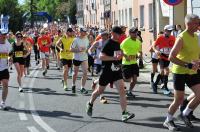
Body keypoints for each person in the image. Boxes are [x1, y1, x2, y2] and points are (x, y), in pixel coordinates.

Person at [86, 26, 135, 122]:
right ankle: (90, 103)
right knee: (99, 91)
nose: (120, 35)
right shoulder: (108, 43)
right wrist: (114, 58)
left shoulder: (117, 43)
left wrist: (124, 55)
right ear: (112, 33)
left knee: (122, 90)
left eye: (120, 34)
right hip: (107, 71)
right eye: (118, 34)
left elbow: (118, 51)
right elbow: (101, 56)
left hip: (116, 70)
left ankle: (124, 113)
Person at [163, 14, 200, 131]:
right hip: (180, 72)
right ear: (188, 24)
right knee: (178, 99)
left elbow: (195, 54)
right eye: (196, 23)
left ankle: (184, 114)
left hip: (192, 72)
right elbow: (171, 57)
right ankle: (168, 120)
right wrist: (187, 64)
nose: (198, 25)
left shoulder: (195, 36)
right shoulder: (181, 37)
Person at [152, 25, 175, 95]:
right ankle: (164, 87)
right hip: (161, 56)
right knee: (163, 71)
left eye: (170, 31)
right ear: (165, 30)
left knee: (166, 72)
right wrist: (156, 51)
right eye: (168, 31)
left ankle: (156, 84)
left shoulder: (173, 37)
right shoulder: (160, 38)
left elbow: (175, 45)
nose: (170, 32)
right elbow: (154, 46)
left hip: (168, 57)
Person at [120, 27, 142, 98]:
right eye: (133, 32)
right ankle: (116, 79)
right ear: (130, 33)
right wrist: (125, 56)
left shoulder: (138, 42)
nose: (135, 34)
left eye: (136, 32)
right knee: (127, 79)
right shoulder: (125, 41)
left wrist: (139, 55)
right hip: (126, 63)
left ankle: (129, 91)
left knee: (135, 79)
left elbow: (139, 51)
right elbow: (119, 50)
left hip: (134, 63)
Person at [88, 31, 110, 104]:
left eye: (105, 35)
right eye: (102, 35)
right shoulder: (98, 42)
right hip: (98, 63)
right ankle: (101, 96)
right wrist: (93, 55)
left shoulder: (110, 42)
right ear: (100, 35)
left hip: (107, 63)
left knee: (106, 78)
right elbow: (89, 50)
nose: (104, 36)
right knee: (102, 80)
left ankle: (95, 82)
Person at [70, 27, 89, 94]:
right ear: (80, 32)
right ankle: (73, 85)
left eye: (86, 32)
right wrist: (78, 50)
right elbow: (71, 49)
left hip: (84, 58)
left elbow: (87, 47)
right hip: (77, 58)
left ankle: (82, 87)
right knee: (75, 73)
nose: (85, 33)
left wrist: (88, 50)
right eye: (84, 31)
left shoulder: (86, 39)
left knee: (85, 73)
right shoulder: (76, 40)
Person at [0, 30, 12, 110]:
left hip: (4, 68)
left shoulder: (8, 44)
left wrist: (10, 58)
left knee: (5, 85)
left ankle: (3, 102)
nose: (4, 36)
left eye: (5, 35)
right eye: (3, 35)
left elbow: (9, 55)